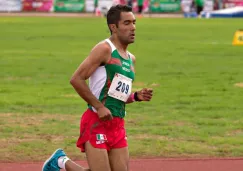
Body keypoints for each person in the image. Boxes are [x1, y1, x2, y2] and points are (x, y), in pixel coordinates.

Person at [42, 4, 153, 171]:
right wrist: (99, 106)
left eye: (134, 22)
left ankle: (60, 162)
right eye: (127, 23)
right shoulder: (104, 49)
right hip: (96, 122)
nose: (133, 28)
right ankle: (61, 161)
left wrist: (135, 96)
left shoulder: (131, 59)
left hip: (117, 124)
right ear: (113, 27)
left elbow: (116, 94)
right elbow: (76, 79)